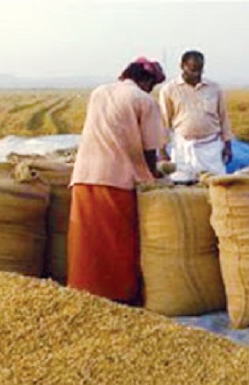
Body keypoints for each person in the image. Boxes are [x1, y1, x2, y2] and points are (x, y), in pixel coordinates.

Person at [67, 57, 166, 305]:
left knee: (87, 240)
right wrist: (153, 176)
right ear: (146, 81)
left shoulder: (99, 92)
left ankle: (83, 291)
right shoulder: (143, 100)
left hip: (84, 175)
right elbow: (150, 148)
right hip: (116, 179)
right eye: (152, 84)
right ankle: (118, 296)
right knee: (117, 242)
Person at [158, 50, 233, 182]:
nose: (196, 73)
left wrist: (227, 146)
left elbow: (224, 118)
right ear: (182, 66)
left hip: (211, 147)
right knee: (181, 183)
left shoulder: (214, 88)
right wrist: (162, 151)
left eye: (199, 69)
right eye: (192, 69)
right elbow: (163, 122)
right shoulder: (169, 90)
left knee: (215, 183)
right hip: (183, 146)